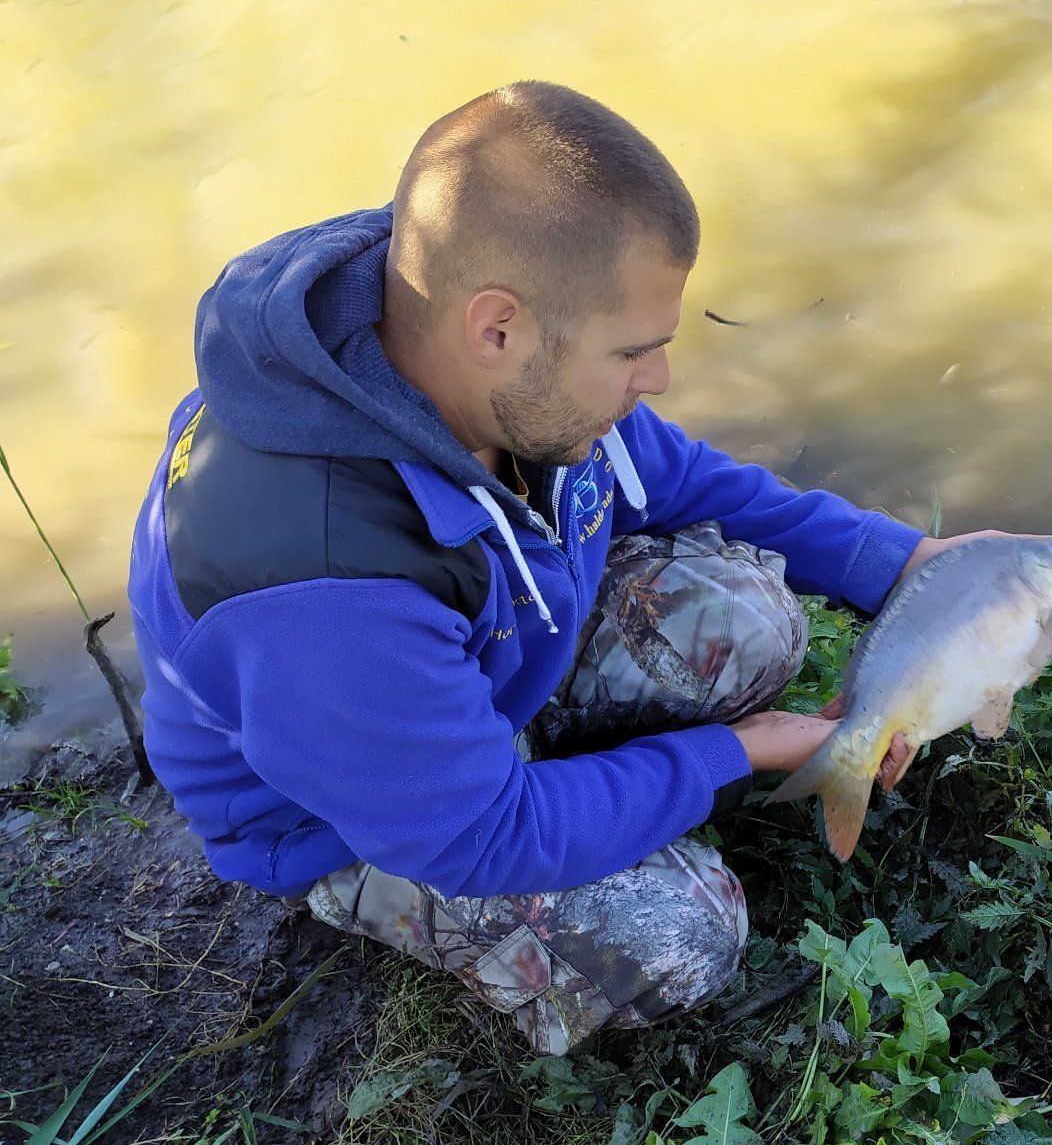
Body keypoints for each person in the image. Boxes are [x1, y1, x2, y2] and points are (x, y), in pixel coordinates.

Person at [127, 82, 1004, 1053]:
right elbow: (484, 835)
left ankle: (554, 752)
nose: (657, 381)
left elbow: (671, 476)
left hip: (467, 660)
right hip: (348, 809)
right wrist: (737, 753)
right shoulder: (322, 586)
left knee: (750, 622)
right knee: (684, 934)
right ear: (497, 328)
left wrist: (902, 561)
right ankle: (379, 891)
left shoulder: (480, 356)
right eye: (634, 352)